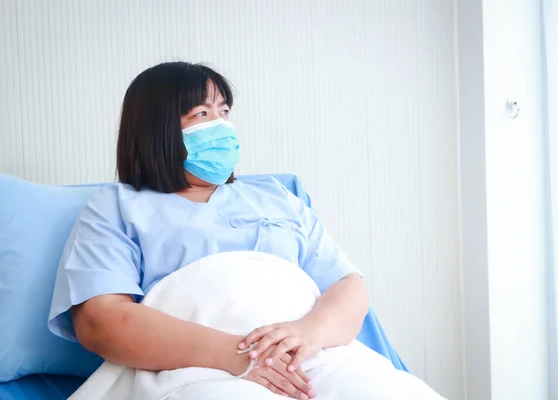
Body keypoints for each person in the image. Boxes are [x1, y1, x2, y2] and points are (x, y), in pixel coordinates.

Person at [49, 62, 369, 400]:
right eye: (202, 113)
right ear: (157, 129)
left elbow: (348, 286)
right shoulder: (116, 206)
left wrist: (309, 332)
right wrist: (238, 356)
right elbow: (101, 322)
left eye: (224, 111)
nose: (220, 126)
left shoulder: (275, 197)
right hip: (194, 369)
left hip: (311, 361)